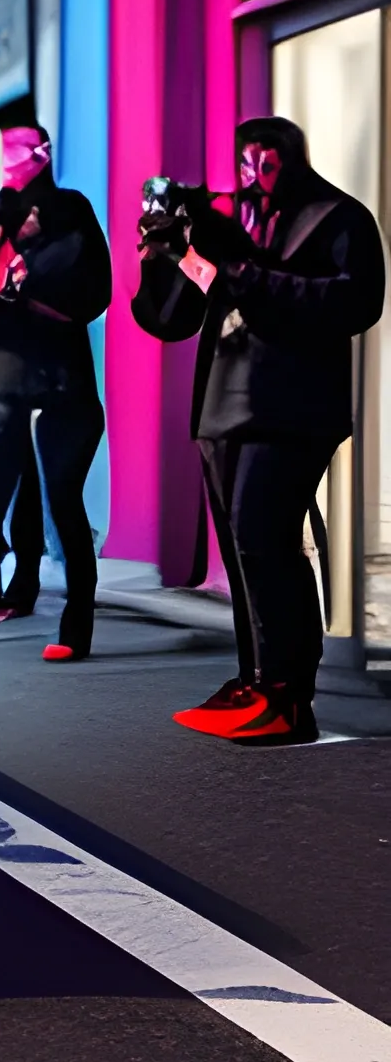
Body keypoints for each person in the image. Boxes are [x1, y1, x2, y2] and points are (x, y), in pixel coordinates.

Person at [133, 116, 385, 744]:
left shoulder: (338, 218)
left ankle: (287, 692)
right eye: (244, 163)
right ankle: (257, 677)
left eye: (264, 162)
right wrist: (163, 257)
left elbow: (355, 304)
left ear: (292, 158)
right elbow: (171, 320)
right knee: (247, 550)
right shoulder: (231, 224)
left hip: (292, 405)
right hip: (223, 406)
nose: (252, 176)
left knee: (265, 539)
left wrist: (241, 273)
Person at [0, 123, 112, 662]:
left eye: (13, 150)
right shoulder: (0, 216)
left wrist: (26, 282)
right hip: (2, 371)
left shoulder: (66, 211)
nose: (4, 160)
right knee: (2, 499)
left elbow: (89, 287)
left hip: (53, 374)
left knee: (56, 496)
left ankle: (67, 621)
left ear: (38, 155)